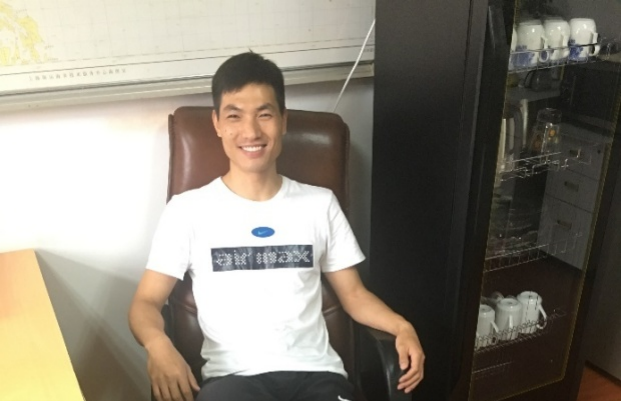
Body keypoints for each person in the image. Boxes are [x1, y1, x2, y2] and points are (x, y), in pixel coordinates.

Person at [128, 51, 424, 401]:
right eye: (234, 116)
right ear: (217, 123)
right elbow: (146, 302)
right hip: (232, 382)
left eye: (264, 114)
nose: (251, 131)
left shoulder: (320, 204)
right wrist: (158, 345)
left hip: (318, 378)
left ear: (283, 120)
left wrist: (401, 326)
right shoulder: (187, 211)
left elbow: (354, 295)